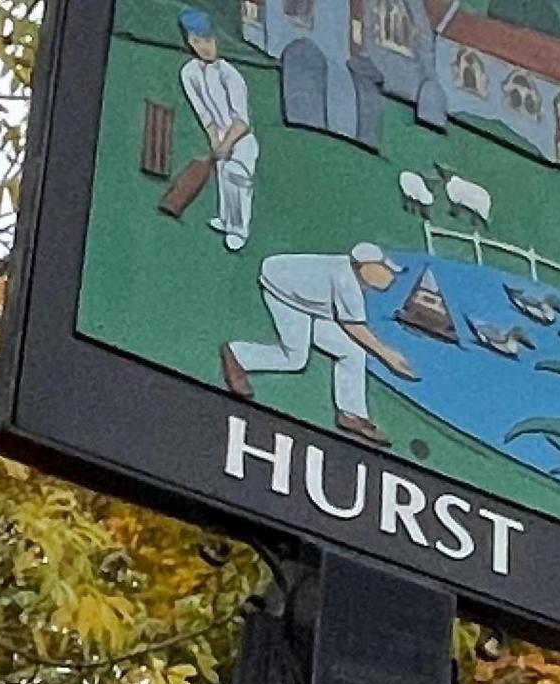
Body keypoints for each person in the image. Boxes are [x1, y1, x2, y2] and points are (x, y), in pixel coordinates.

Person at [221, 243, 419, 446]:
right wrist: (389, 356)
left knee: (352, 352)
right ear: (365, 266)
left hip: (312, 303)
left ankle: (351, 415)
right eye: (384, 268)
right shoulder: (346, 280)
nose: (390, 276)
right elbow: (353, 326)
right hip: (284, 293)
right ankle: (239, 355)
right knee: (295, 359)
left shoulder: (354, 277)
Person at [176, 11, 253, 252]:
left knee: (237, 178)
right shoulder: (189, 74)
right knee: (222, 177)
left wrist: (226, 144)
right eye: (199, 42)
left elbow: (242, 121)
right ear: (191, 43)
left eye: (209, 40)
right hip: (219, 137)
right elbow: (204, 114)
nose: (206, 47)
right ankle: (225, 219)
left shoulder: (231, 75)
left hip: (242, 139)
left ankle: (239, 230)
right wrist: (214, 141)